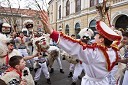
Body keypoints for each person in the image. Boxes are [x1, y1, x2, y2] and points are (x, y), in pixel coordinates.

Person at [39, 10, 121, 85]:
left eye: (97, 35)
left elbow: (74, 47)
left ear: (101, 40)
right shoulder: (113, 51)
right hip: (104, 82)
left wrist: (52, 32)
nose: (94, 36)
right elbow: (115, 41)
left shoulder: (94, 53)